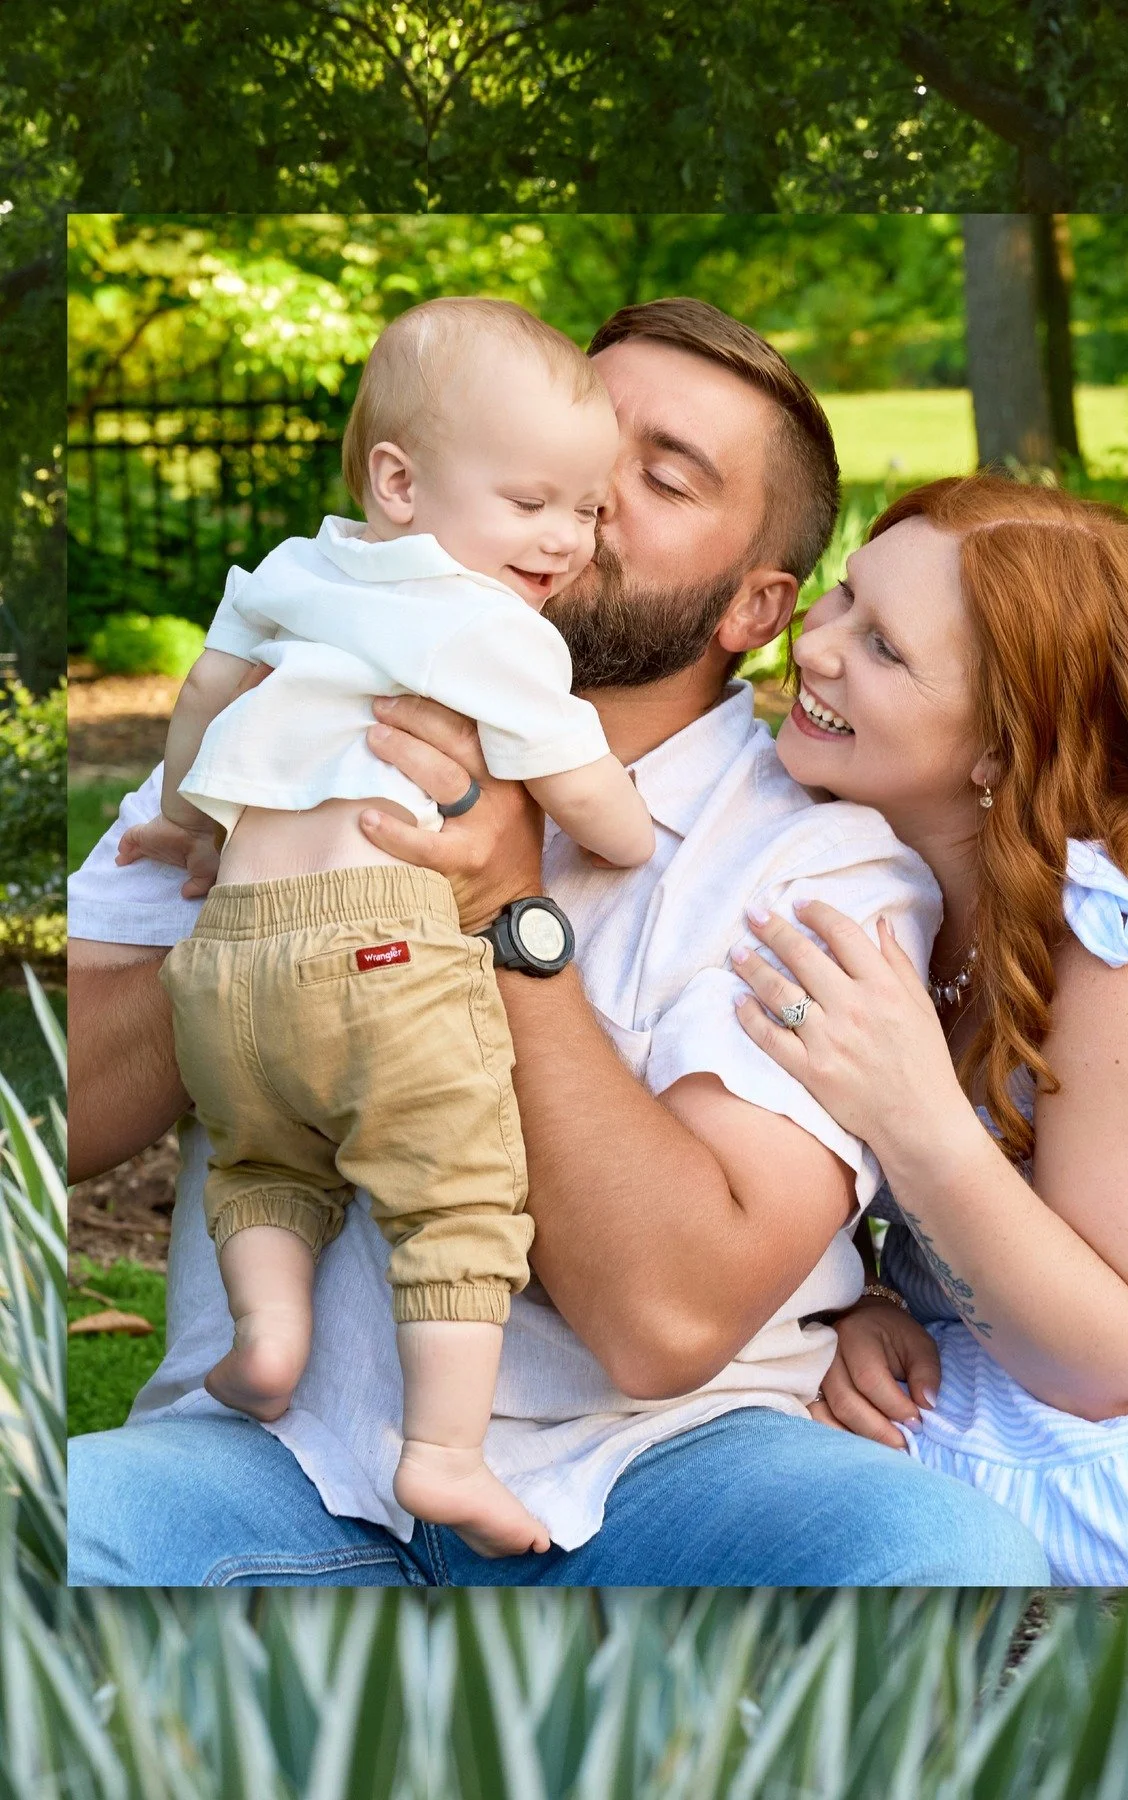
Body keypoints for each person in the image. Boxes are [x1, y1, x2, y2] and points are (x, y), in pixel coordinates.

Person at [66, 299, 1049, 1588]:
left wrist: (502, 908)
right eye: (578, 437)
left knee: (934, 1556)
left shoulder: (821, 867)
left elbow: (668, 1324)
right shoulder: (286, 701)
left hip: (654, 1472)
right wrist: (266, 904)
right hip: (268, 1459)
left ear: (755, 606)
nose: (586, 497)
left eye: (662, 475)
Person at [730, 474, 1128, 1587]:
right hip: (1015, 1325)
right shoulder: (862, 858)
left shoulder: (1119, 939)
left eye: (884, 648)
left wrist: (912, 1114)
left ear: (997, 749)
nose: (817, 645)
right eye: (843, 599)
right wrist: (855, 1300)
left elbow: (1124, 1360)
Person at [113, 297, 654, 1559]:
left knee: (261, 1161)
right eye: (532, 503)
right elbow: (593, 806)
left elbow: (207, 697)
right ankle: (448, 1456)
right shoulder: (494, 632)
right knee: (456, 1199)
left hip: (229, 955)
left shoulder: (300, 570)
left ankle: (268, 1342)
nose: (567, 538)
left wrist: (197, 825)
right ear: (400, 482)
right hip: (379, 947)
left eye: (587, 507)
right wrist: (622, 833)